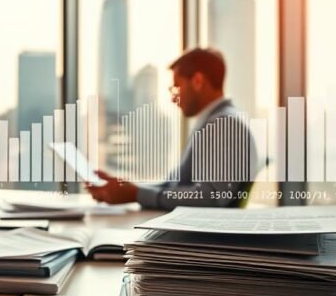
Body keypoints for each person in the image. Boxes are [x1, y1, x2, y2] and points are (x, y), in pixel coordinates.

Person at [86, 47, 258, 210]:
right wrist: (124, 188)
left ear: (197, 81)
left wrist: (136, 194)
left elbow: (211, 197)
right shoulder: (215, 121)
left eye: (176, 87)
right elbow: (174, 185)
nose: (173, 97)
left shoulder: (224, 124)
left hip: (206, 237)